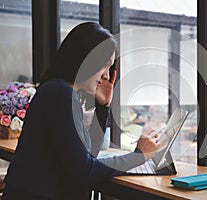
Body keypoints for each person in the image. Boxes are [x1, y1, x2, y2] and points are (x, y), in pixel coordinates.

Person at [2, 22, 160, 200]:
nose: (107, 76)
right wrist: (138, 157)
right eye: (105, 65)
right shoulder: (60, 94)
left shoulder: (59, 91)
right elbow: (85, 170)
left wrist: (103, 108)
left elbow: (87, 155)